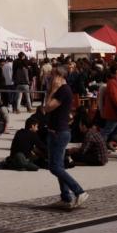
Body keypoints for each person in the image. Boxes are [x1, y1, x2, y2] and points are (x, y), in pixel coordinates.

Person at [44, 68, 88, 209]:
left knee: (55, 167)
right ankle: (66, 198)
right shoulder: (59, 90)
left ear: (59, 76)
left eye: (52, 75)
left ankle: (79, 191)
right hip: (54, 132)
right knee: (59, 166)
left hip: (59, 133)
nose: (50, 78)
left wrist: (52, 90)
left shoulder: (63, 90)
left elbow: (48, 107)